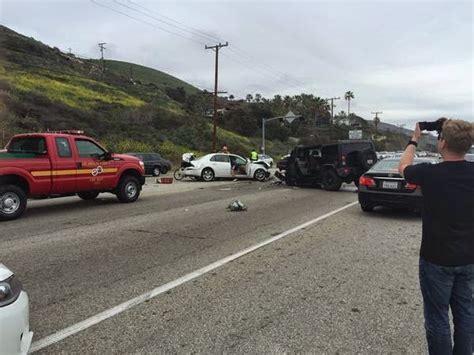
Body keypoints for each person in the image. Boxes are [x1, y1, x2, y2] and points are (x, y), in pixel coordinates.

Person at [399, 119, 474, 355]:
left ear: (441, 142)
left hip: (436, 259)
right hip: (469, 258)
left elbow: (403, 167)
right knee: (466, 313)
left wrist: (414, 139)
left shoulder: (429, 173)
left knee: (437, 316)